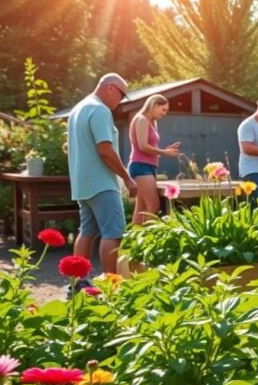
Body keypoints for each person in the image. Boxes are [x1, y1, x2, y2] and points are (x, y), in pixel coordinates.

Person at [67, 73, 136, 278]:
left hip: (82, 184)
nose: (120, 101)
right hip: (102, 183)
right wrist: (127, 178)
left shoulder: (77, 109)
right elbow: (105, 150)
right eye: (121, 95)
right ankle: (111, 288)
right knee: (113, 233)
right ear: (110, 88)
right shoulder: (100, 110)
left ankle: (77, 283)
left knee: (87, 231)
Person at [127, 94, 181, 225]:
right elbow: (143, 146)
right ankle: (147, 239)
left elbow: (151, 148)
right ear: (155, 105)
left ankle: (134, 242)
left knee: (141, 208)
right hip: (140, 166)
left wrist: (165, 150)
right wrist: (164, 152)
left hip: (149, 166)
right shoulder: (141, 120)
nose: (164, 114)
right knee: (154, 206)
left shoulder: (152, 122)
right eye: (163, 110)